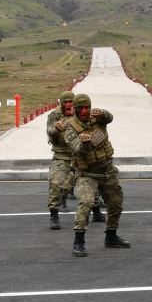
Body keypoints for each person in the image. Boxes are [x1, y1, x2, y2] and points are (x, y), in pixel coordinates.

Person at [62, 93, 129, 257]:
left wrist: (103, 113)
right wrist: (85, 143)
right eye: (81, 108)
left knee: (116, 203)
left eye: (87, 108)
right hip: (87, 173)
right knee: (86, 202)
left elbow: (110, 118)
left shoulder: (97, 119)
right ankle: (79, 242)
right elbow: (77, 148)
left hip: (106, 169)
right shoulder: (70, 127)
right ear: (75, 110)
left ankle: (111, 236)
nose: (85, 111)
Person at [45, 91, 76, 230]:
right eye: (65, 102)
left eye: (71, 101)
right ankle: (54, 215)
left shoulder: (81, 113)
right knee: (55, 183)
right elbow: (49, 131)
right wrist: (56, 129)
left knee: (93, 183)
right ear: (61, 103)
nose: (68, 104)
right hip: (61, 156)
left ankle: (97, 211)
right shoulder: (54, 115)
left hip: (79, 155)